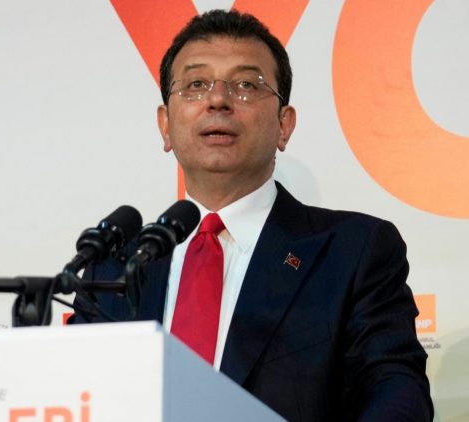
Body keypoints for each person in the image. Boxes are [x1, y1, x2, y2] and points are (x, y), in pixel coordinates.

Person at [68, 9, 432, 422]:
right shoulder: (113, 265)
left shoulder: (353, 250)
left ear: (284, 125)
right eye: (196, 84)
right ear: (165, 125)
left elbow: (395, 390)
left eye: (246, 85)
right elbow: (72, 393)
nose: (218, 100)